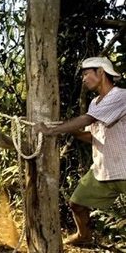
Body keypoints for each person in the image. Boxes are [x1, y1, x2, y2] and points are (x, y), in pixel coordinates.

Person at [35, 57, 126, 246]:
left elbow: (87, 120)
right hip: (103, 169)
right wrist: (69, 130)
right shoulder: (95, 103)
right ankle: (84, 236)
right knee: (77, 203)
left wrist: (52, 130)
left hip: (124, 168)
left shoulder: (121, 96)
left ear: (101, 72)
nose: (83, 79)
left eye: (86, 74)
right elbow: (92, 136)